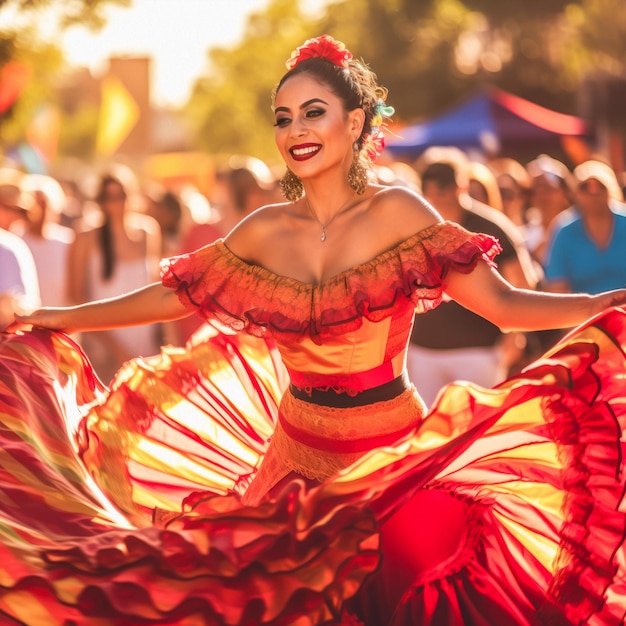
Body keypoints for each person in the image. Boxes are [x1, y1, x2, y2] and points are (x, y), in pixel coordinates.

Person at [2, 35, 626, 626]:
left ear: (354, 123)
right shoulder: (264, 230)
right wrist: (53, 316)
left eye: (312, 112)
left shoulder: (400, 212)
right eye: (283, 118)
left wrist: (603, 302)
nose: (295, 130)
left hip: (388, 457)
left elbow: (505, 305)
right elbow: (170, 297)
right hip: (291, 461)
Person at [407, 150, 539, 405]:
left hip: (480, 351)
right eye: (431, 188)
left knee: (480, 433)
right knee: (428, 436)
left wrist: (515, 335)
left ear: (461, 186)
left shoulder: (491, 225)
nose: (436, 195)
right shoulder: (413, 226)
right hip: (424, 351)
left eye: (442, 187)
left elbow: (523, 282)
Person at [67, 171, 163, 381]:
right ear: (101, 202)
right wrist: (116, 349)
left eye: (122, 196)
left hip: (145, 350)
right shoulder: (85, 236)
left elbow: (157, 289)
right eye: (110, 198)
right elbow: (77, 297)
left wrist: (168, 343)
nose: (117, 204)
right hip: (103, 354)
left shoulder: (149, 231)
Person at [543, 159, 626, 295]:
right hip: (583, 314)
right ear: (576, 193)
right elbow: (556, 286)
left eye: (600, 186)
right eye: (585, 187)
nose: (593, 193)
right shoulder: (564, 230)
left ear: (611, 189)